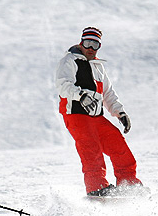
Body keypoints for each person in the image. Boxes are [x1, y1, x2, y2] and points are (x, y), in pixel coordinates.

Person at [55, 27, 143, 196]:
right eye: (87, 43)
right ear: (81, 42)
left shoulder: (98, 66)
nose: (90, 48)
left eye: (95, 44)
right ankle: (97, 188)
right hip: (76, 114)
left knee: (118, 145)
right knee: (91, 150)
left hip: (95, 116)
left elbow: (108, 93)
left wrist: (120, 113)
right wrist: (80, 96)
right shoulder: (70, 60)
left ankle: (128, 185)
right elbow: (63, 85)